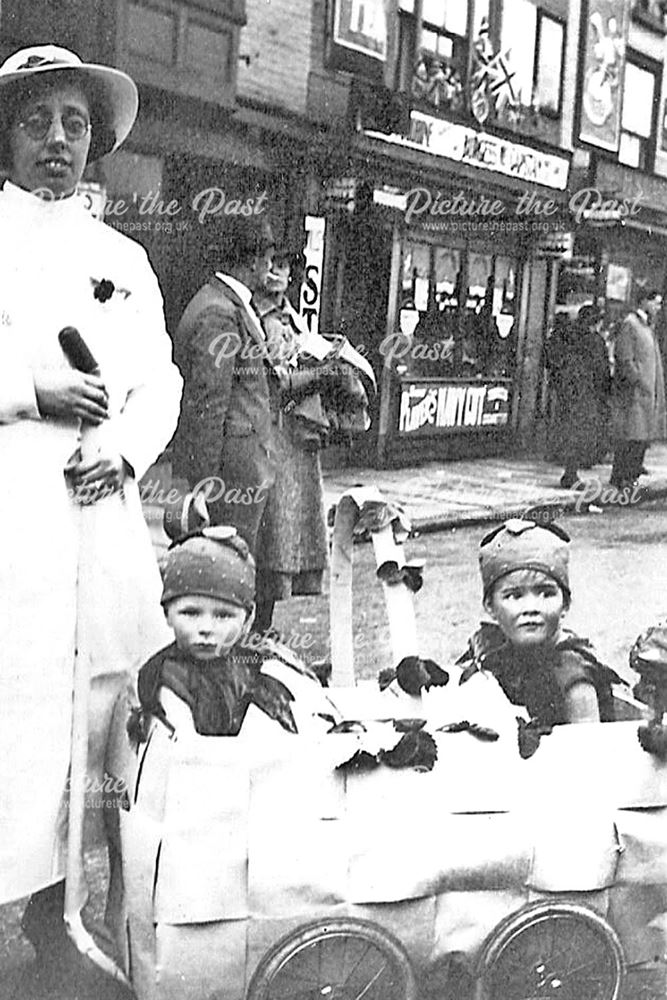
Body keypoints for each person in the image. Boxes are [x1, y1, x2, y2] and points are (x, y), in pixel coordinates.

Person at [0, 44, 182, 989]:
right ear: (8, 135)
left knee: (90, 718)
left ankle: (59, 917)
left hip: (93, 519)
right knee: (11, 714)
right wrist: (30, 386)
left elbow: (159, 382)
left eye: (75, 124)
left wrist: (124, 450)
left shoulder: (123, 260)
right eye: (37, 122)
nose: (58, 141)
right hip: (9, 523)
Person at [132, 527, 329, 739]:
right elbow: (183, 746)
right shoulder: (166, 677)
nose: (206, 628)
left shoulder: (252, 661)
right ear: (167, 614)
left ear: (247, 619)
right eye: (190, 613)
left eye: (223, 616)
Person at [170, 215, 277, 555]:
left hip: (236, 470)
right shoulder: (220, 313)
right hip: (231, 477)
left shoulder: (221, 302)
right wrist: (202, 485)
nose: (271, 267)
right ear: (252, 260)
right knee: (229, 572)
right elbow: (208, 404)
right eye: (268, 257)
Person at [457, 519, 621, 727]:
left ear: (565, 604)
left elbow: (587, 746)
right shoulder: (491, 647)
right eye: (515, 596)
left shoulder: (572, 672)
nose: (531, 607)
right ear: (490, 607)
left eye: (546, 593)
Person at [610, 288, 666, 490]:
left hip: (646, 394)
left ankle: (629, 476)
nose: (658, 307)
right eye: (655, 303)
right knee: (631, 438)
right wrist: (638, 380)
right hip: (635, 395)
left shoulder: (648, 327)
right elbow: (624, 358)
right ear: (643, 302)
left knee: (640, 439)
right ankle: (623, 479)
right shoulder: (630, 324)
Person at [553, 304, 611, 489]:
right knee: (580, 434)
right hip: (587, 394)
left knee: (570, 432)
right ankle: (571, 475)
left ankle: (570, 473)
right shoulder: (595, 341)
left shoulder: (568, 336)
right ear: (596, 322)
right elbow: (601, 370)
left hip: (569, 392)